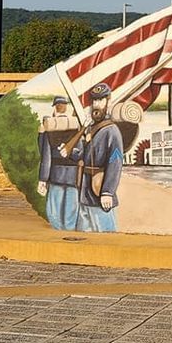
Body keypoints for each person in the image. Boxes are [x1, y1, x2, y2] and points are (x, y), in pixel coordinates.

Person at [67, 83, 124, 232]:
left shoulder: (112, 131)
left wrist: (107, 192)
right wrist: (71, 153)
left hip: (99, 190)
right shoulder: (90, 128)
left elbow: (115, 162)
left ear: (108, 102)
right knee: (83, 233)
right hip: (84, 191)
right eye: (94, 101)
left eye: (100, 100)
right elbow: (83, 156)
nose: (96, 105)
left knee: (106, 232)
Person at [35, 99, 82, 229]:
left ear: (55, 108)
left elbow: (45, 156)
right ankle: (69, 231)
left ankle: (59, 231)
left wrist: (43, 179)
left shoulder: (49, 128)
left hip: (56, 175)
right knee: (71, 209)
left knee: (54, 209)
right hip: (72, 176)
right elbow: (80, 154)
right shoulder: (76, 126)